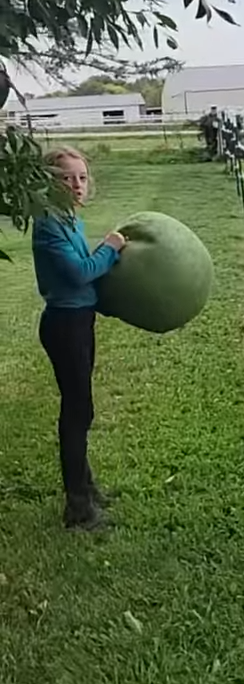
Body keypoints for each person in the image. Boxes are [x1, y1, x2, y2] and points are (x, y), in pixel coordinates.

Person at [32, 146, 126, 531]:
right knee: (76, 413)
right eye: (66, 177)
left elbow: (86, 283)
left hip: (79, 321)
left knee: (81, 409)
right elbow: (79, 273)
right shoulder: (48, 226)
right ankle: (78, 509)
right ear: (48, 183)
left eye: (82, 177)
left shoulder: (69, 220)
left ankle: (85, 488)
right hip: (64, 326)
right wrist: (111, 248)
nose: (76, 184)